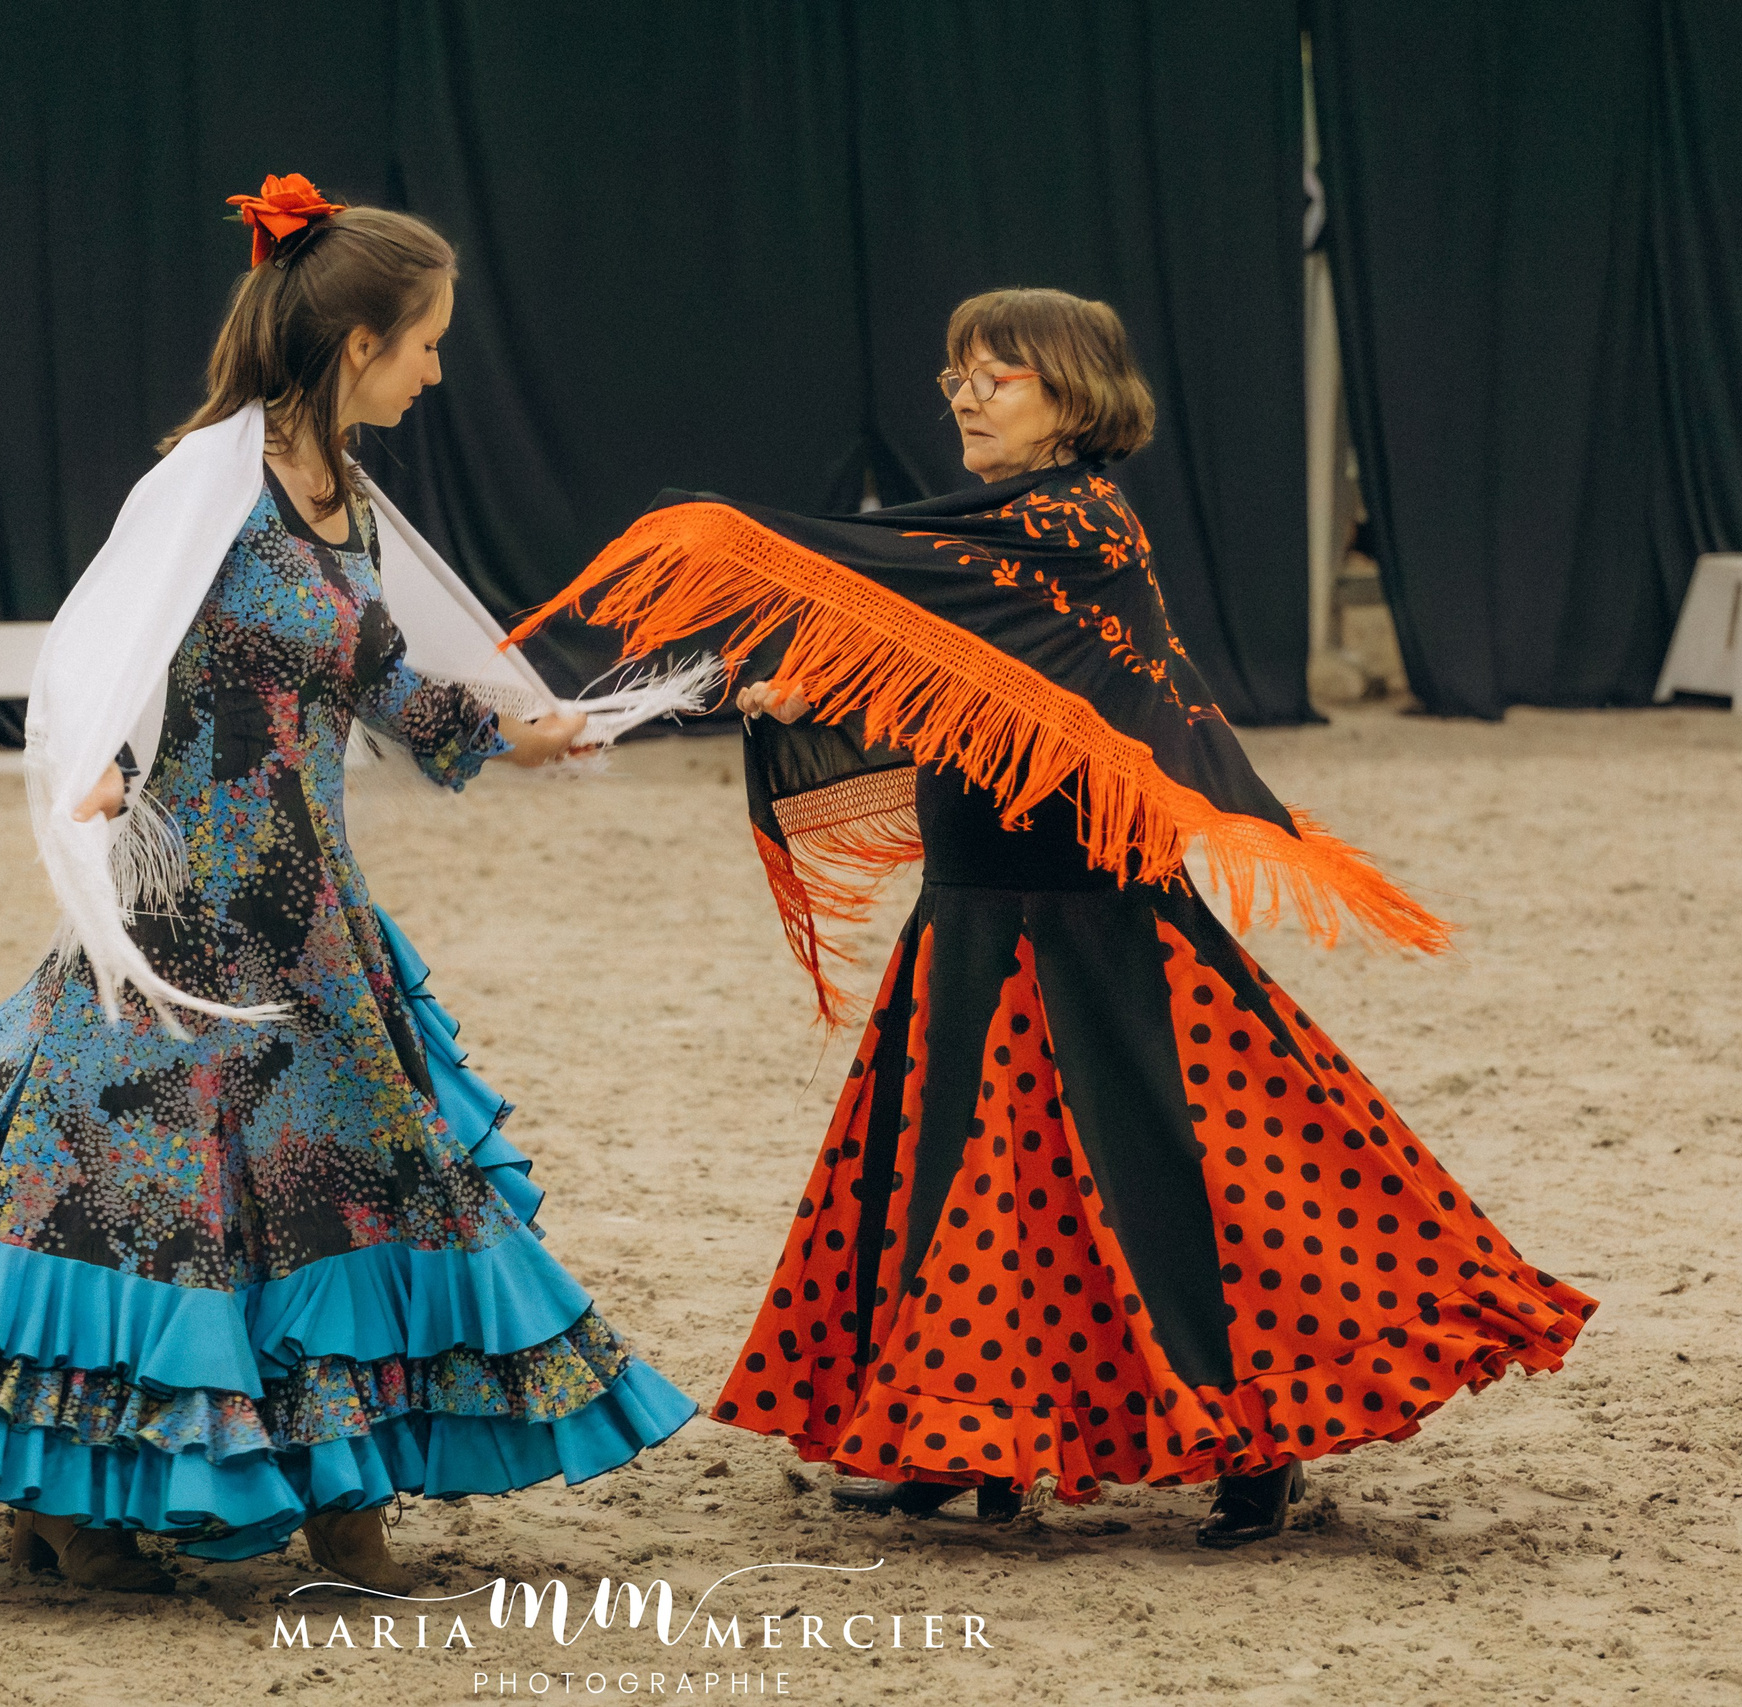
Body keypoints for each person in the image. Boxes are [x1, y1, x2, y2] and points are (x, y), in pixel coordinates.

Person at [0, 175, 692, 1595]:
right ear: (357, 346)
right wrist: (99, 764)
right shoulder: (205, 486)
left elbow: (384, 677)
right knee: (123, 1200)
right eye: (426, 342)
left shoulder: (347, 503)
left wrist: (534, 726)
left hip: (311, 915)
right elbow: (115, 646)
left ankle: (344, 1513)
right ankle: (76, 1505)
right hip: (180, 914)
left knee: (358, 1180)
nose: (438, 367)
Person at [515, 288, 1593, 1548]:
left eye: (999, 373)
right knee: (969, 1173)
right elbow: (945, 673)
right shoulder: (994, 534)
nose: (965, 393)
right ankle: (956, 1432)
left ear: (1074, 396)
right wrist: (806, 681)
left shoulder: (1075, 530)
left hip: (1097, 915)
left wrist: (741, 548)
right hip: (975, 902)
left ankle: (1256, 1440)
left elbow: (939, 619)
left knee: (1186, 1173)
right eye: (956, 373)